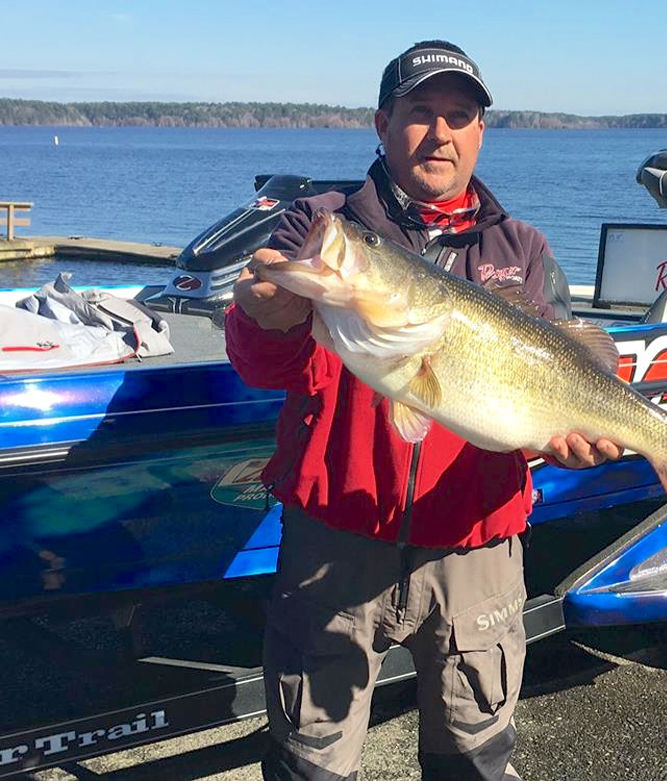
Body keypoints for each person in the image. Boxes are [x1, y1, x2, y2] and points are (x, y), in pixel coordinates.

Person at [226, 40, 621, 781]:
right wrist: (264, 315)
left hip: (477, 548)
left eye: (459, 116)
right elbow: (259, 363)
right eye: (419, 113)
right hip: (333, 545)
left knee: (473, 760)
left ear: (479, 133)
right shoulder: (322, 223)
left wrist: (560, 442)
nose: (439, 133)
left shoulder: (523, 248)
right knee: (308, 761)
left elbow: (553, 386)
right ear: (381, 123)